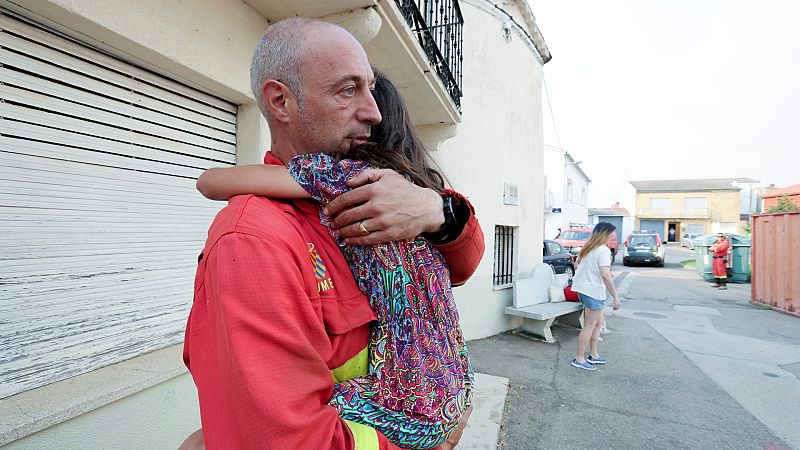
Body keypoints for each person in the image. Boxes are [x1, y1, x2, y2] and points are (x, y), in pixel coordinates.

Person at [181, 18, 484, 450]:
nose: (373, 112)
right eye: (348, 90)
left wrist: (435, 210)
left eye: (371, 89)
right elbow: (283, 438)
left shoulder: (390, 197)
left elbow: (465, 263)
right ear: (281, 102)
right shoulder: (255, 237)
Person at [569, 222, 622, 371]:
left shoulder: (587, 249)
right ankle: (579, 358)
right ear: (604, 234)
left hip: (584, 290)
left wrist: (600, 273)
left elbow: (578, 267)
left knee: (598, 323)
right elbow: (605, 274)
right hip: (593, 292)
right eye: (611, 235)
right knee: (589, 325)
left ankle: (594, 355)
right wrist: (616, 297)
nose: (612, 237)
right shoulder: (603, 251)